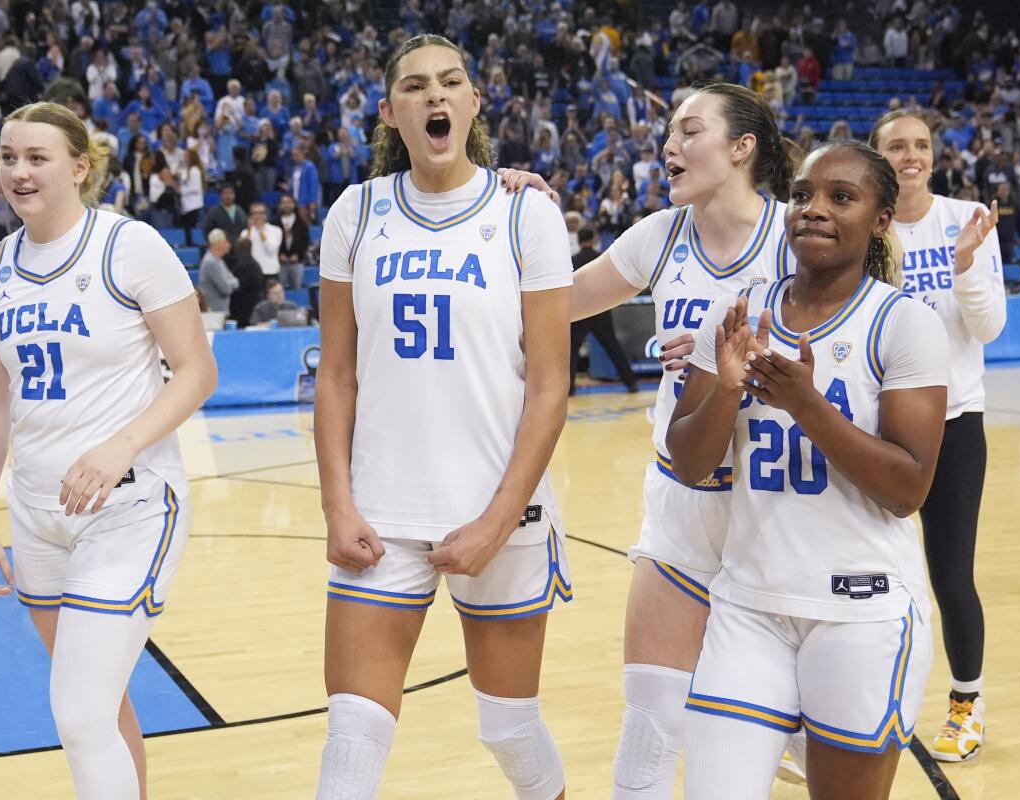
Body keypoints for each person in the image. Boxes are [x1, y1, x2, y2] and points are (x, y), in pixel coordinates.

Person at [499, 80, 804, 795]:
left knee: (790, 753)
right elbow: (554, 304)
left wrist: (725, 357)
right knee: (647, 734)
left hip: (782, 513)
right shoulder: (659, 236)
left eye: (690, 130)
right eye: (667, 131)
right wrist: (520, 219)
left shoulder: (800, 235)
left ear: (741, 148)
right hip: (683, 504)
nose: (668, 144)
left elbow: (855, 348)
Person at [313, 34, 573, 800]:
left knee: (510, 730)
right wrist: (336, 503)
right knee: (351, 744)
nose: (435, 95)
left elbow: (550, 388)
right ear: (392, 113)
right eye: (416, 87)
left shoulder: (525, 214)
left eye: (451, 82)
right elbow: (335, 374)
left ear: (473, 103)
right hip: (381, 511)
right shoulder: (354, 214)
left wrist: (499, 518)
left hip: (501, 512)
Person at [670, 141, 949, 798]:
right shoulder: (739, 311)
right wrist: (729, 390)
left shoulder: (903, 324)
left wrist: (805, 404)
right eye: (801, 195)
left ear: (881, 220)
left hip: (863, 611)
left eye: (841, 197)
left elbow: (907, 488)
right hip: (749, 605)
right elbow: (688, 460)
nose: (814, 209)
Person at [0, 101, 216, 800]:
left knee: (77, 710)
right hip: (38, 515)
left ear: (80, 167)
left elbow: (198, 370)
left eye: (37, 158)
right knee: (95, 707)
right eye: (9, 157)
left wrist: (117, 446)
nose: (18, 171)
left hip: (129, 506)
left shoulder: (127, 246)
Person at [870, 109, 1005, 763]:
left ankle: (966, 705)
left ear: (934, 153)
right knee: (867, 572)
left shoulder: (967, 219)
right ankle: (858, 703)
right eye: (897, 146)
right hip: (880, 426)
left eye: (921, 144)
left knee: (951, 575)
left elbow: (989, 328)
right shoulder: (865, 223)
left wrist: (966, 268)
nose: (911, 155)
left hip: (955, 424)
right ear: (878, 156)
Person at [568, 226, 638, 394]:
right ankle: (631, 382)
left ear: (578, 241)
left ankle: (569, 388)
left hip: (580, 310)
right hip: (601, 309)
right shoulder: (602, 259)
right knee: (612, 345)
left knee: (572, 349)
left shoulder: (572, 260)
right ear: (593, 239)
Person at [228, 237, 265, 327]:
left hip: (241, 308)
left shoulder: (240, 265)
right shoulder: (256, 264)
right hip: (255, 304)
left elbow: (238, 287)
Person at [198, 228, 237, 313]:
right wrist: (231, 283)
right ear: (219, 243)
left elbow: (235, 281)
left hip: (222, 310)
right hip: (214, 311)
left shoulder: (219, 261)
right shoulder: (210, 262)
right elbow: (226, 289)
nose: (229, 245)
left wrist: (230, 283)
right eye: (226, 241)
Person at [240, 201, 283, 277]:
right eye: (255, 213)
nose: (258, 216)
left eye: (261, 213)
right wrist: (250, 230)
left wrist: (260, 232)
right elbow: (244, 251)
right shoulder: (245, 232)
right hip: (252, 272)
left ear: (266, 215)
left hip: (270, 271)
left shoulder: (276, 230)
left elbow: (271, 250)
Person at [277, 194, 310, 289]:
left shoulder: (301, 223)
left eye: (289, 202)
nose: (287, 205)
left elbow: (306, 242)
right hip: (280, 263)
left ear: (294, 204)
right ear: (280, 205)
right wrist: (279, 255)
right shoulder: (274, 222)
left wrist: (298, 255)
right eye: (284, 202)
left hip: (297, 262)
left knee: (297, 288)